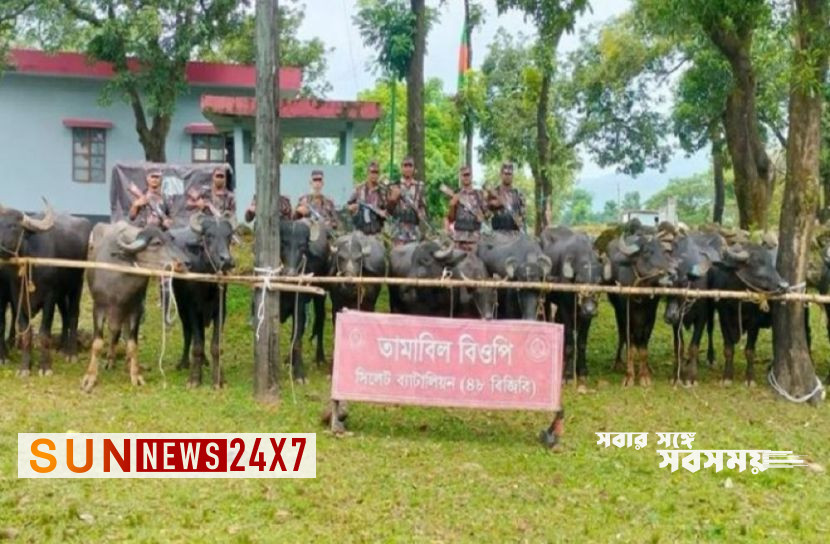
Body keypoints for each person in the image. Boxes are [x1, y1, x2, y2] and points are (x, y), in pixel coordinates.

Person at [386, 156, 427, 245]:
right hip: (398, 230)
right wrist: (393, 199)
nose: (408, 168)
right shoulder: (393, 185)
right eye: (405, 166)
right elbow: (388, 211)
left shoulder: (419, 186)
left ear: (414, 168)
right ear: (401, 168)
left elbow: (422, 206)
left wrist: (422, 214)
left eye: (410, 166)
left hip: (414, 231)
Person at [346, 160, 387, 235]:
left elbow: (387, 211)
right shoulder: (359, 189)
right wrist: (355, 207)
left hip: (376, 232)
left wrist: (382, 213)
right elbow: (348, 206)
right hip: (360, 232)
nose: (374, 175)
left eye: (376, 172)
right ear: (368, 173)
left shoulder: (382, 191)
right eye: (372, 172)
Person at [487, 161, 526, 232]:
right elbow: (486, 214)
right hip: (497, 234)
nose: (507, 176)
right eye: (505, 174)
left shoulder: (518, 194)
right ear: (501, 174)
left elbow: (523, 214)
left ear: (512, 175)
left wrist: (520, 220)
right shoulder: (494, 193)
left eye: (509, 174)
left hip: (514, 235)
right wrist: (493, 205)